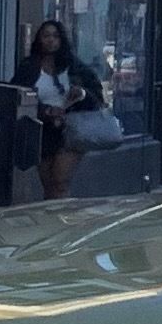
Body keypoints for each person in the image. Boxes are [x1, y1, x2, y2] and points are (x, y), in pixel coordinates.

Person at [15, 18, 103, 199]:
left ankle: (64, 218)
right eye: (46, 36)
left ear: (62, 40)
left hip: (71, 130)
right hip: (42, 131)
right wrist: (45, 111)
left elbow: (97, 100)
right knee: (48, 185)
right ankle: (52, 221)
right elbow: (16, 96)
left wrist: (82, 93)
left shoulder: (76, 68)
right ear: (39, 39)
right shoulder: (29, 67)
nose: (50, 40)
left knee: (60, 182)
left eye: (55, 36)